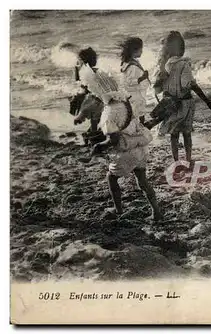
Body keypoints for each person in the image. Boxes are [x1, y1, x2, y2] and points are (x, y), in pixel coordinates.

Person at [78, 64, 162, 221]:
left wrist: (98, 146)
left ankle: (118, 210)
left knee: (111, 178)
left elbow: (114, 139)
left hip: (126, 151)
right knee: (142, 181)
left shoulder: (109, 112)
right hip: (141, 146)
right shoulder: (126, 102)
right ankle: (156, 211)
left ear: (99, 91)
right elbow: (136, 123)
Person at [153, 31, 211, 165]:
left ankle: (176, 160)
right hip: (185, 104)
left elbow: (156, 89)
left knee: (173, 134)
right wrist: (207, 101)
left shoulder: (162, 67)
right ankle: (188, 159)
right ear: (181, 48)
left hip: (169, 103)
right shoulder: (184, 64)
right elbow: (189, 84)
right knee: (186, 133)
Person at [71, 47, 104, 144]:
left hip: (92, 98)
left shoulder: (85, 71)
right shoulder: (93, 71)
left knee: (96, 119)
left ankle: (90, 135)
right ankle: (92, 136)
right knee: (96, 118)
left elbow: (81, 83)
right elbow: (85, 86)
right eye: (95, 59)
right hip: (95, 98)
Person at [119, 37, 150, 125]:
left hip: (130, 95)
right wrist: (142, 78)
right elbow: (129, 82)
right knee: (139, 116)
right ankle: (140, 132)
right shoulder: (133, 66)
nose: (142, 51)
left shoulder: (127, 63)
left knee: (135, 116)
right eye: (141, 49)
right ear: (134, 50)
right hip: (135, 96)